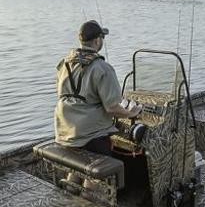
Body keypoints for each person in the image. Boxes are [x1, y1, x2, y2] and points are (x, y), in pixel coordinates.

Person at [54, 20, 142, 156]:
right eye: (102, 37)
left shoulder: (64, 63)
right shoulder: (102, 68)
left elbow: (61, 94)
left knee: (77, 166)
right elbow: (112, 108)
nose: (102, 41)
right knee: (104, 167)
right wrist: (131, 113)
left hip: (64, 131)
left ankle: (71, 178)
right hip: (90, 135)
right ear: (96, 41)